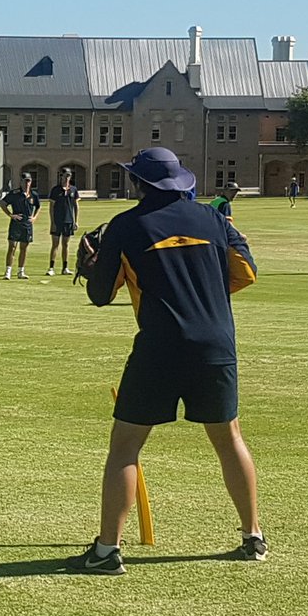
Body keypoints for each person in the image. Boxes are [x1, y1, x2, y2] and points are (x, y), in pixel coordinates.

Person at [67, 147, 262, 575]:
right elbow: (246, 273)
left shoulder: (126, 225)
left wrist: (96, 264)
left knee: (126, 446)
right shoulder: (215, 218)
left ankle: (107, 551)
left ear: (138, 183)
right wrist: (200, 291)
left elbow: (100, 295)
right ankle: (253, 537)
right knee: (229, 439)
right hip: (216, 344)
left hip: (159, 346)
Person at [1, 173, 40, 279]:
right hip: (16, 223)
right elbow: (3, 203)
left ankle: (21, 271)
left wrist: (34, 217)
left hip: (27, 224)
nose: (27, 183)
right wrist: (10, 215)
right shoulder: (14, 193)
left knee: (24, 248)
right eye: (25, 181)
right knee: (12, 246)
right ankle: (8, 271)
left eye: (29, 181)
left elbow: (38, 206)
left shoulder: (34, 195)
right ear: (21, 182)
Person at [46, 168, 80, 275]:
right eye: (65, 175)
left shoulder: (73, 189)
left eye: (69, 175)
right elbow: (51, 207)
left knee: (65, 244)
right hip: (57, 221)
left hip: (68, 221)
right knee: (55, 244)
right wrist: (52, 222)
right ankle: (51, 268)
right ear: (61, 176)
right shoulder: (55, 190)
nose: (67, 178)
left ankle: (65, 268)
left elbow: (76, 206)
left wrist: (76, 221)